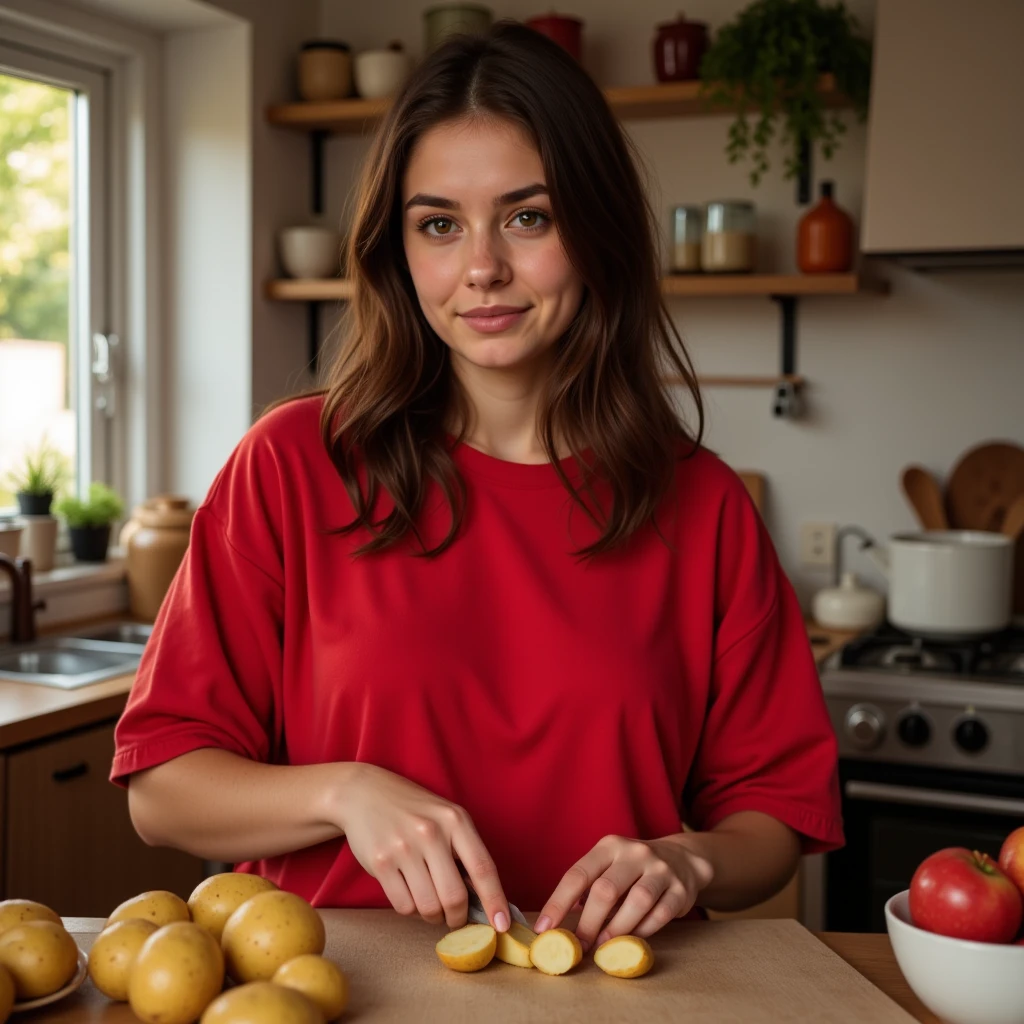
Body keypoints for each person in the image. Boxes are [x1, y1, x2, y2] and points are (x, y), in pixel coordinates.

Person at [113, 22, 842, 953]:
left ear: (597, 231)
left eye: (528, 216)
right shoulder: (292, 465)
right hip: (333, 996)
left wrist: (690, 861)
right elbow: (160, 790)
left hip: (614, 1001)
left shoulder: (702, 506)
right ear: (400, 250)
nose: (482, 266)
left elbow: (772, 819)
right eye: (440, 224)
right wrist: (340, 791)